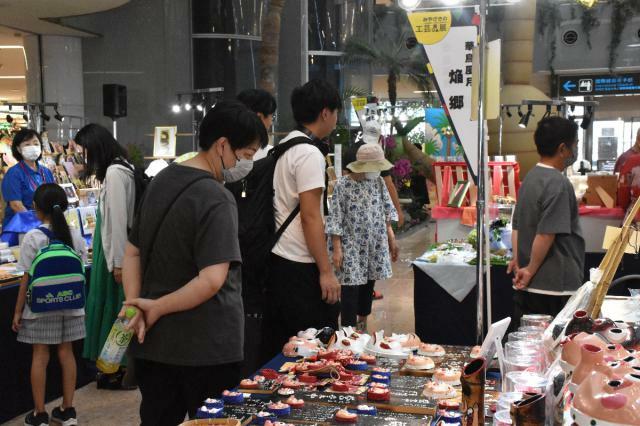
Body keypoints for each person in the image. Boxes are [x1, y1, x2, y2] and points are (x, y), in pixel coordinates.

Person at [121, 101, 265, 425]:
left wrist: (137, 305)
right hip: (207, 347)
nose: (247, 164)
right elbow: (212, 280)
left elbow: (132, 252)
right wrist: (154, 307)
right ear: (223, 145)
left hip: (154, 344)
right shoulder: (216, 197)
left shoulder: (161, 180)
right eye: (247, 154)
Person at [262, 79, 341, 358]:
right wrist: (326, 271)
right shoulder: (309, 153)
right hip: (299, 264)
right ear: (325, 113)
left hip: (279, 258)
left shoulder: (286, 144)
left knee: (285, 348)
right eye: (336, 112)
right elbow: (310, 216)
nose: (336, 119)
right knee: (314, 349)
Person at [12, 184, 87, 426]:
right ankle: (68, 410)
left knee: (40, 355)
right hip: (72, 304)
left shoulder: (33, 237)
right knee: (67, 353)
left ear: (36, 208)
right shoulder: (75, 235)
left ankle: (40, 414)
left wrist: (17, 311)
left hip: (39, 308)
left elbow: (26, 279)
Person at [74, 124, 136, 389]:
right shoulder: (123, 168)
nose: (83, 157)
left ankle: (118, 367)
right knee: (115, 311)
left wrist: (118, 263)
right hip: (111, 251)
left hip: (113, 253)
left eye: (85, 151)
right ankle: (114, 367)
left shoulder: (114, 173)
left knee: (115, 311)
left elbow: (118, 219)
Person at [508, 117, 585, 327]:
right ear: (562, 149)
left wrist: (519, 261)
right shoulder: (558, 183)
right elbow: (546, 233)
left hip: (529, 283)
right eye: (575, 144)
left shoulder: (530, 178)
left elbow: (517, 226)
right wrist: (531, 269)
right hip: (555, 283)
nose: (575, 150)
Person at [327, 143, 399, 331]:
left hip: (374, 243)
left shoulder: (378, 182)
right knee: (350, 287)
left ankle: (362, 324)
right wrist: (337, 248)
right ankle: (348, 331)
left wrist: (391, 236)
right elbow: (335, 217)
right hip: (350, 244)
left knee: (368, 283)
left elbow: (386, 209)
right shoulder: (342, 185)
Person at [1, 129, 55, 228]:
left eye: (35, 143)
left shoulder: (46, 172)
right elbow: (16, 205)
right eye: (27, 144)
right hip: (20, 228)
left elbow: (54, 198)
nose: (32, 147)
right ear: (18, 149)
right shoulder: (14, 173)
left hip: (45, 226)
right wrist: (37, 225)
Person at [237, 88, 277, 161]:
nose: (271, 123)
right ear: (259, 117)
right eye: (272, 116)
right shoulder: (270, 155)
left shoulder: (226, 151)